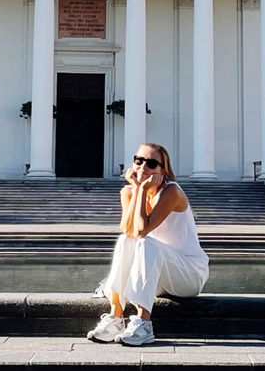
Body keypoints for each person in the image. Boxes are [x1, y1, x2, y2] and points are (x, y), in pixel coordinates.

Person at [88, 143, 208, 347]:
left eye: (152, 163)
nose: (143, 167)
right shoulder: (127, 192)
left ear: (163, 170)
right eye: (139, 160)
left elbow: (143, 229)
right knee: (127, 239)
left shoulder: (172, 192)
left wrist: (142, 189)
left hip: (189, 274)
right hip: (157, 273)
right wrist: (136, 191)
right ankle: (115, 316)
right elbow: (128, 230)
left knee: (144, 242)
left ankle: (143, 323)